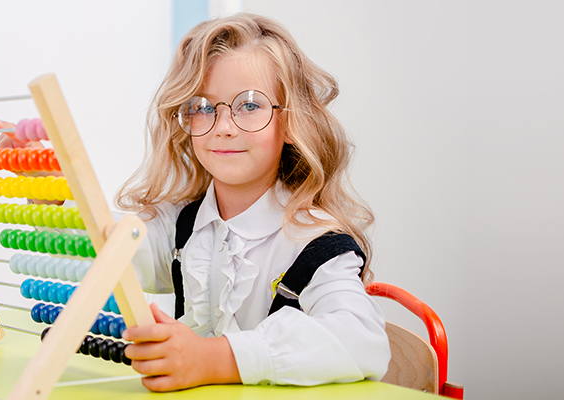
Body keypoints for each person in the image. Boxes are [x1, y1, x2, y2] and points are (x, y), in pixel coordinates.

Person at [110, 13, 388, 391]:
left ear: (290, 123)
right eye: (203, 107)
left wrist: (213, 359)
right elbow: (109, 249)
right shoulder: (181, 226)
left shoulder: (314, 244)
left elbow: (362, 340)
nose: (223, 126)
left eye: (250, 105)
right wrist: (52, 193)